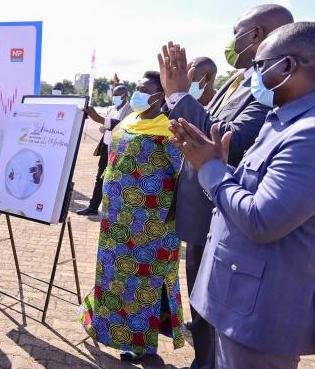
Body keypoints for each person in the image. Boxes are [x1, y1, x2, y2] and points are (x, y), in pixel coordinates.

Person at [168, 21, 315, 369]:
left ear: (288, 66)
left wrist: (212, 170)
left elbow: (263, 219)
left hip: (259, 313)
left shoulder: (307, 135)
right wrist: (222, 168)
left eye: (261, 66)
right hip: (237, 298)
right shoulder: (283, 120)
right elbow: (255, 189)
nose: (255, 75)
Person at [78, 71, 184, 362]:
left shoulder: (170, 129)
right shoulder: (129, 121)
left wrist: (171, 217)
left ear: (160, 95)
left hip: (151, 225)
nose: (137, 93)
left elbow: (183, 176)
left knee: (145, 285)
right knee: (113, 279)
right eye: (137, 87)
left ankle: (143, 346)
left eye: (143, 88)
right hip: (115, 222)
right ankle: (103, 326)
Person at [77, 85, 132, 216]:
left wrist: (107, 124)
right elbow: (103, 127)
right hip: (106, 148)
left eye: (117, 96)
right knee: (100, 178)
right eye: (113, 95)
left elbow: (123, 126)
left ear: (125, 96)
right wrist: (106, 124)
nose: (115, 98)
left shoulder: (131, 110)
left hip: (120, 151)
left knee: (117, 180)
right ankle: (93, 207)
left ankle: (117, 212)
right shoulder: (111, 109)